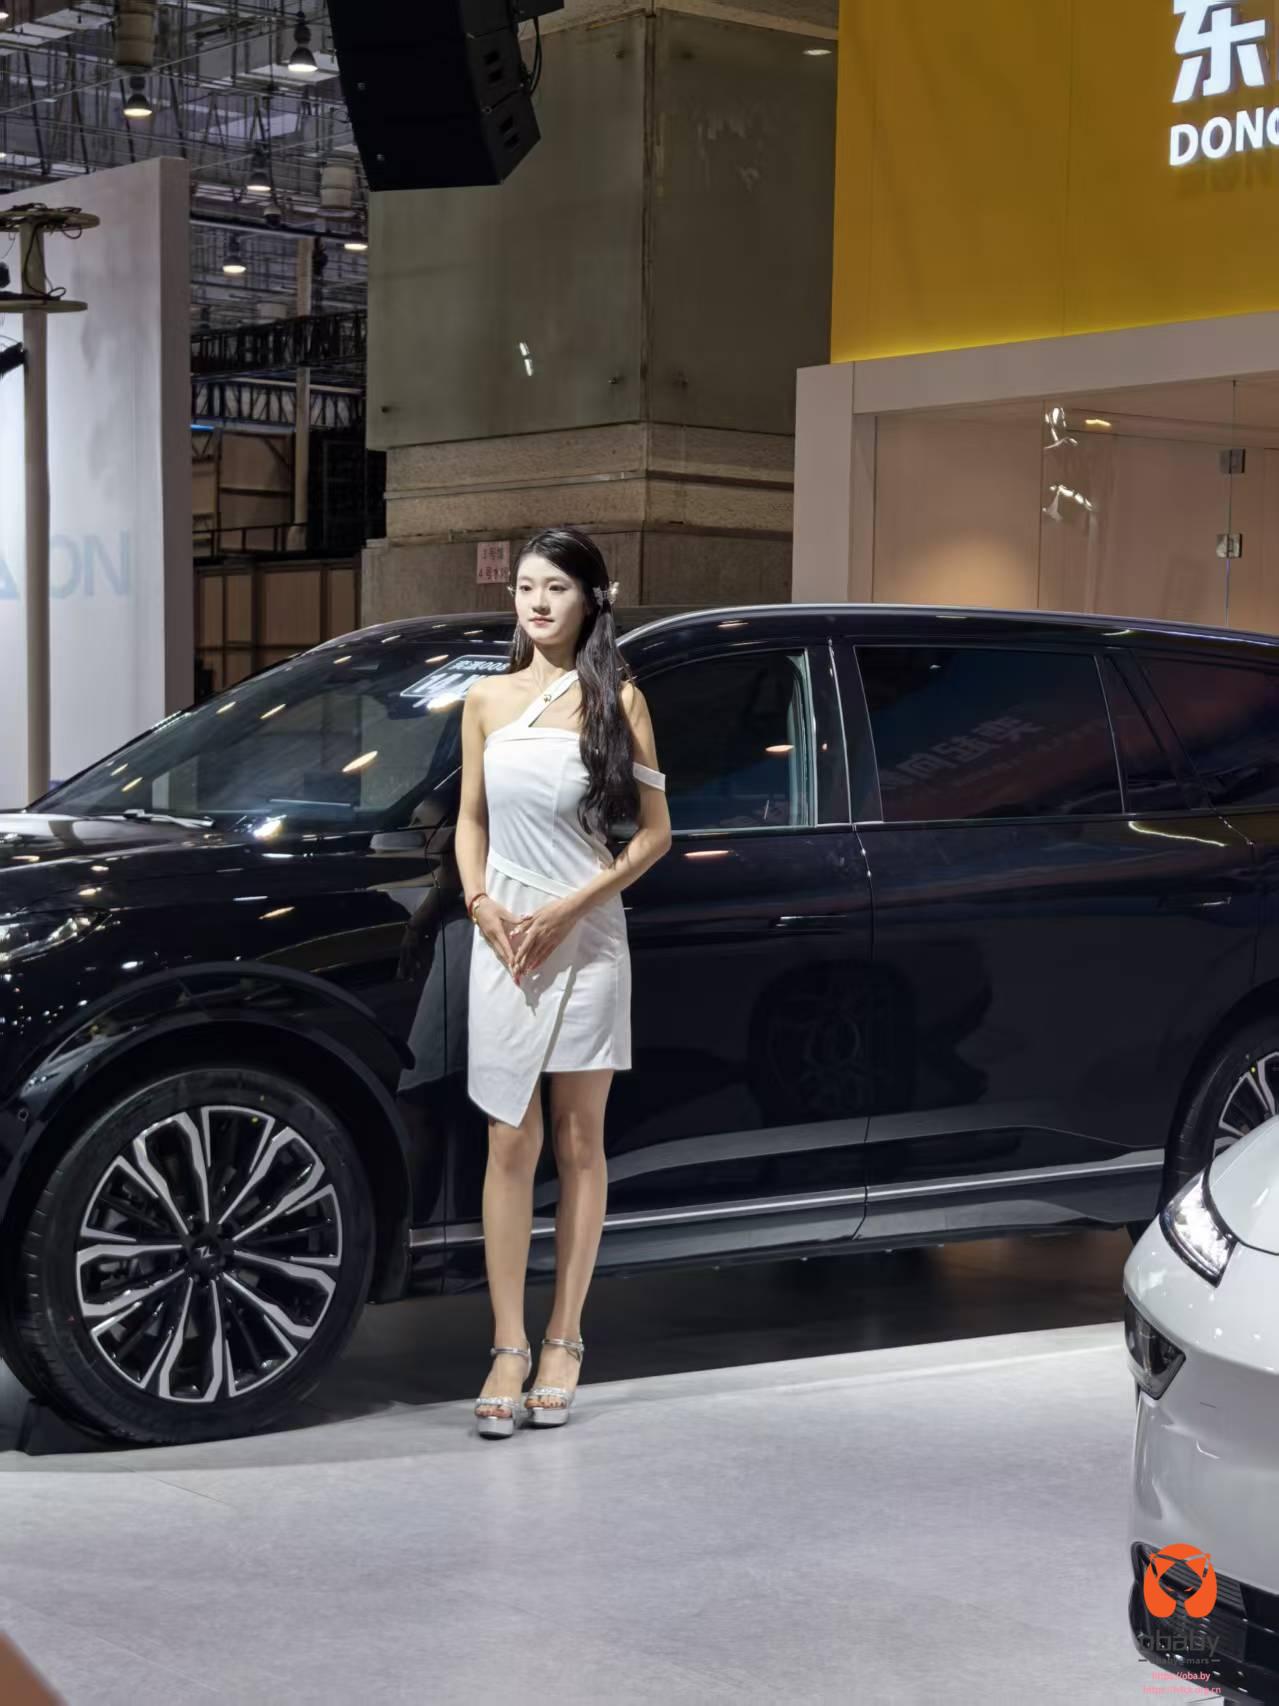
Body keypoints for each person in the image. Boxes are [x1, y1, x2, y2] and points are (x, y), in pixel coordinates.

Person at [456, 526, 673, 1437]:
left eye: (556, 587)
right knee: (509, 1139)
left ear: (590, 598)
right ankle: (506, 1344)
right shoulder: (484, 698)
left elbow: (654, 835)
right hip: (503, 937)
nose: (538, 602)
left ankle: (563, 1339)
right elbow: (468, 820)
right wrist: (481, 903)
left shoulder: (618, 699)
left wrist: (568, 908)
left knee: (581, 1141)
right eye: (526, 587)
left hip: (584, 936)